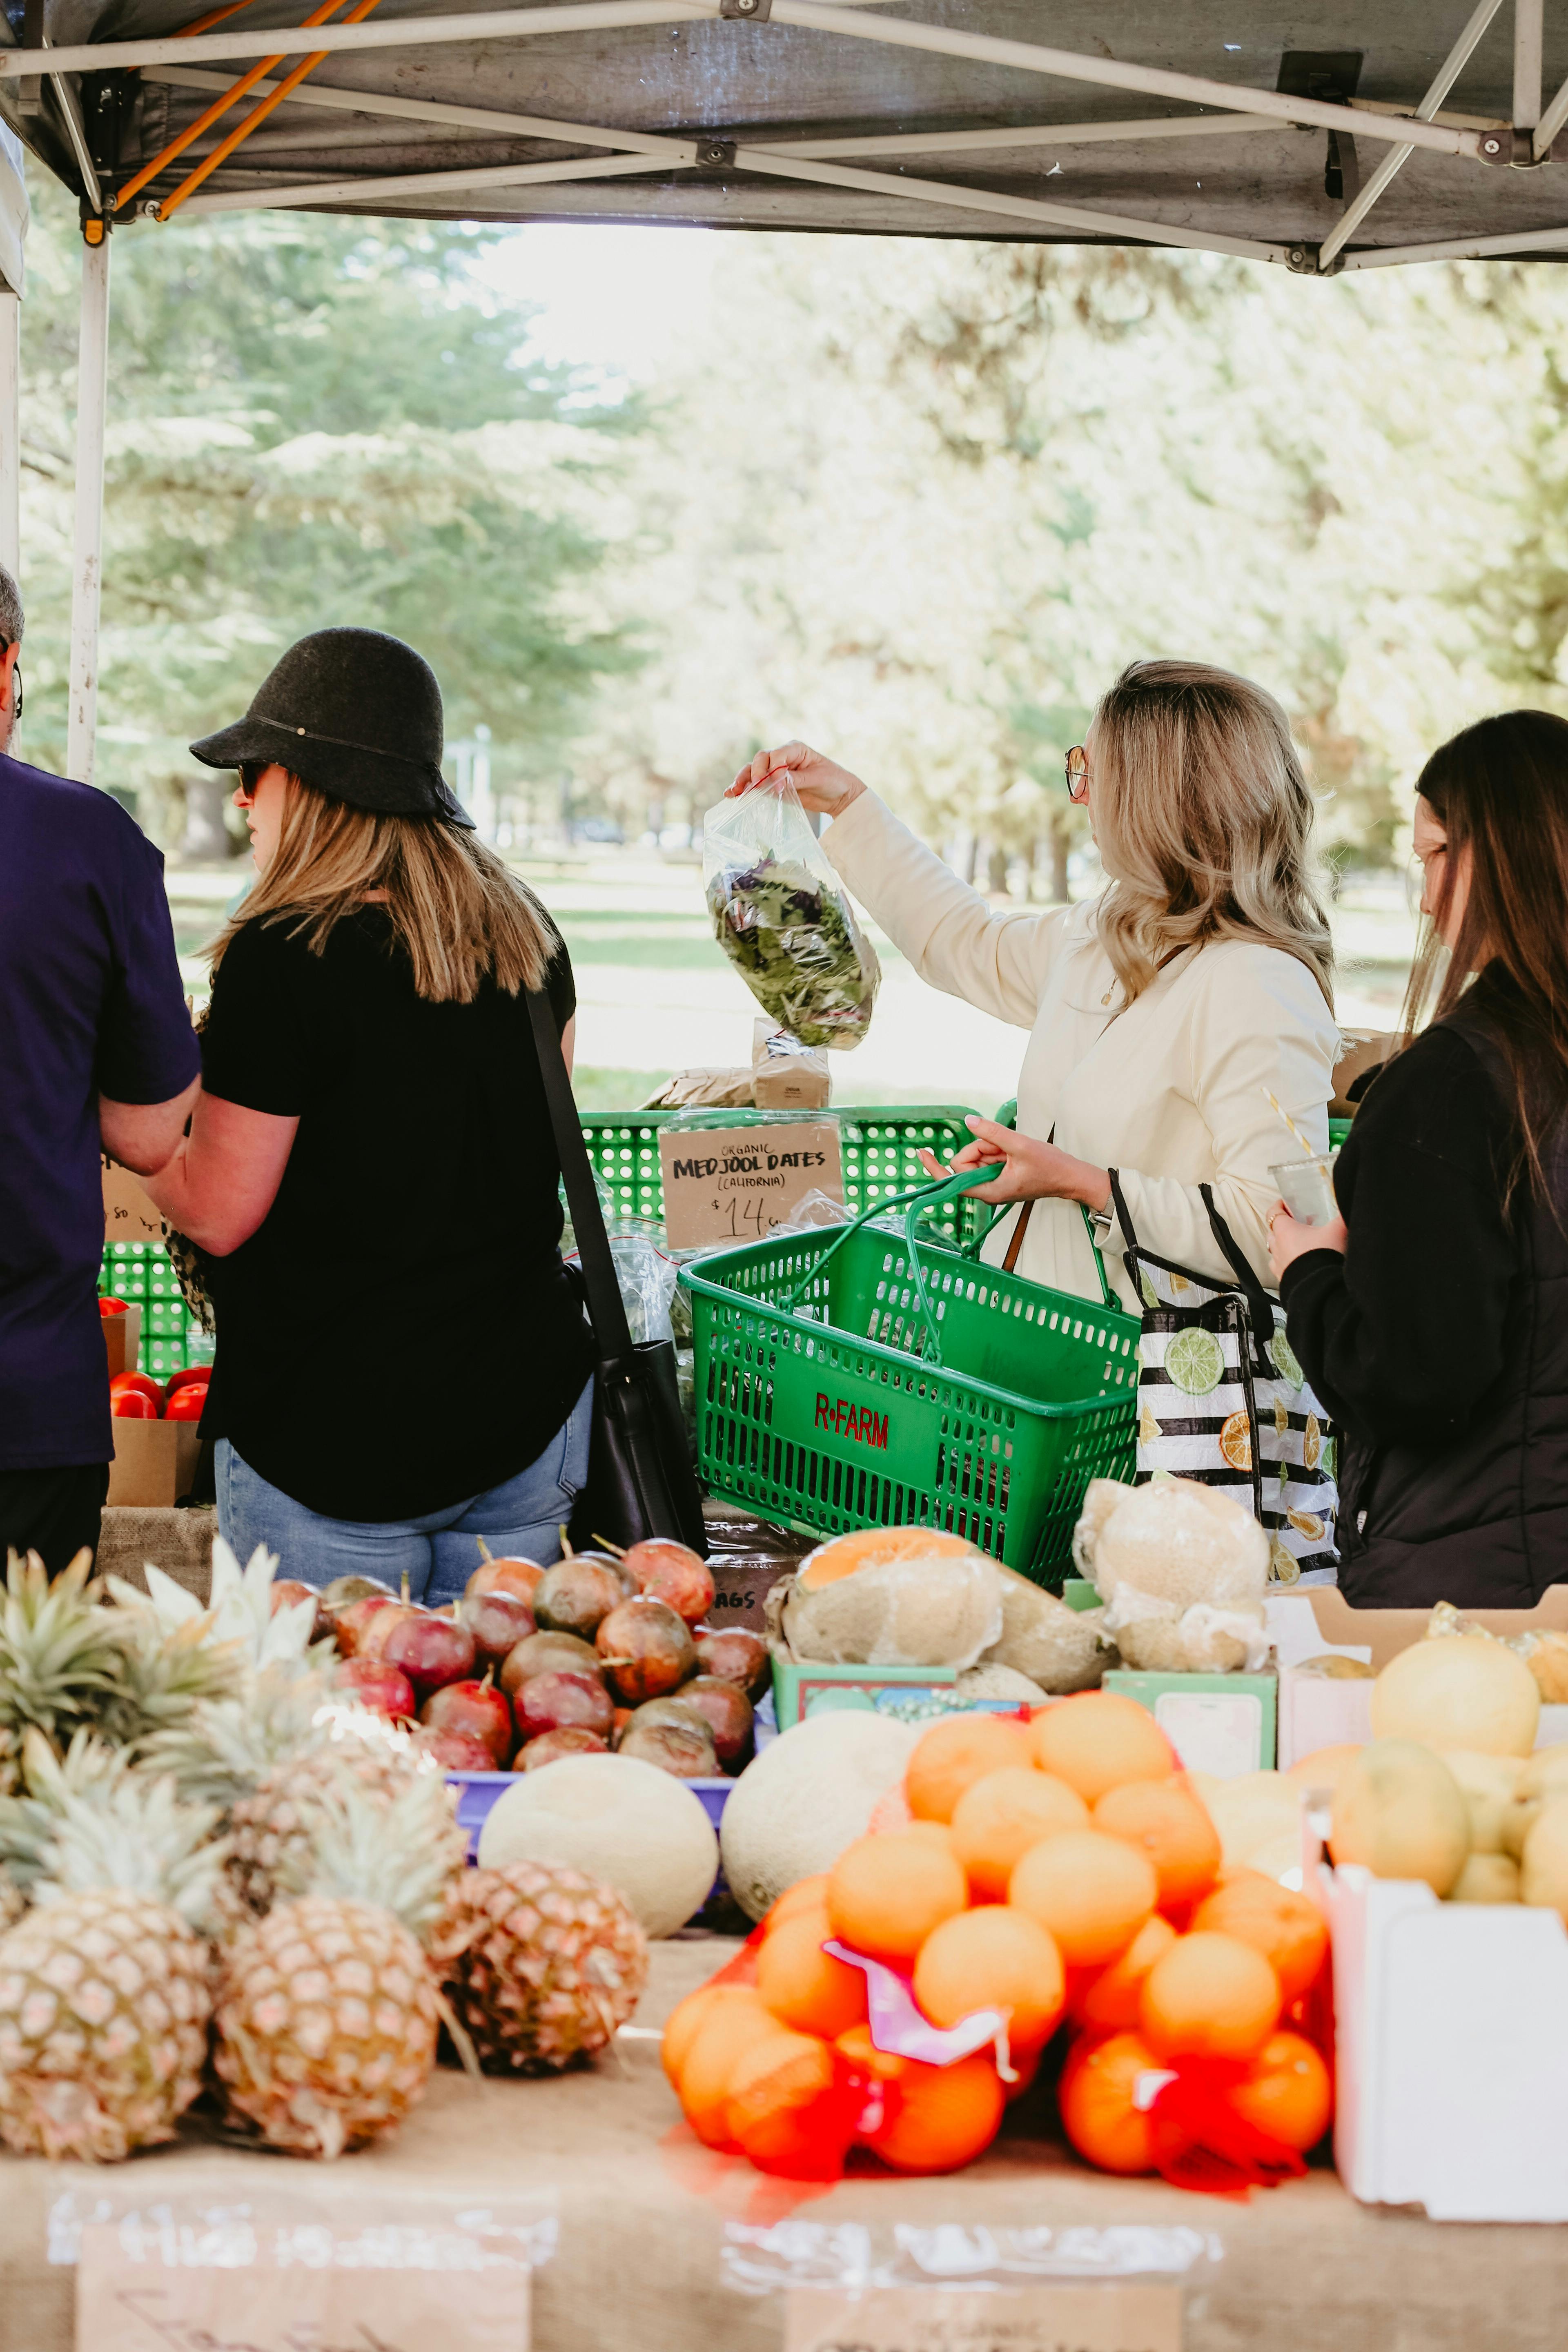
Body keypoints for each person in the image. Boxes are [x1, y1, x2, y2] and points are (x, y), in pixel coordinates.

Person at [140, 628, 595, 1602]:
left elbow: (219, 1211)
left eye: (254, 773)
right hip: (523, 1417)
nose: (241, 799)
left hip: (332, 1437)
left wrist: (138, 1131)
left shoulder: (284, 955)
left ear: (306, 785)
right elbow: (524, 1156)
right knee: (497, 1726)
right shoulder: (528, 938)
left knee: (333, 1741)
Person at [731, 659, 1339, 1309]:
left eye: (1093, 775)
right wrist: (848, 804)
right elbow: (968, 942)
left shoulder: (1259, 986)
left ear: (1153, 803)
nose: (1081, 798)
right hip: (1037, 1337)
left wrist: (1079, 1183)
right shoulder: (1107, 932)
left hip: (1148, 1387)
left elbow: (1281, 1233)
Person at [1270, 710, 1568, 1606]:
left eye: (1436, 855)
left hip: (1474, 1597)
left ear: (1509, 851)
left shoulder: (1452, 1086)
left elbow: (1418, 1384)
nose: (1429, 897)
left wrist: (1312, 1272)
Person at [0, 562, 201, 1572]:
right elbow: (147, 1132)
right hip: (27, 1396)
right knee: (26, 1722)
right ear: (8, 677)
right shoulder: (89, 841)